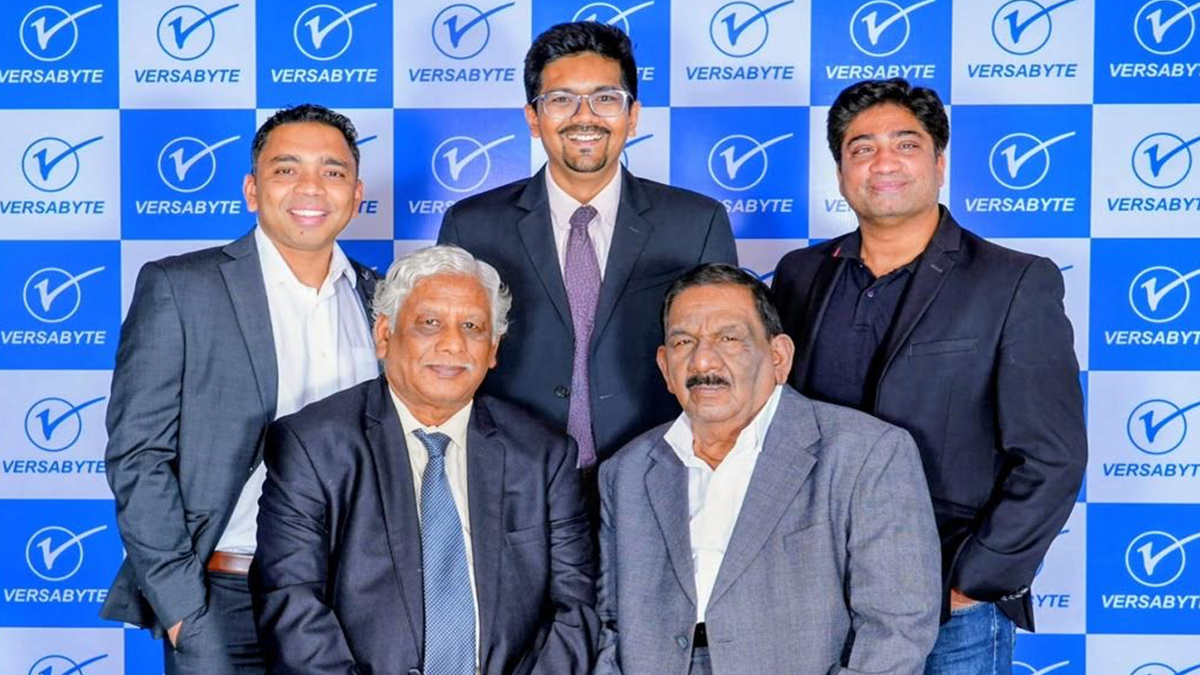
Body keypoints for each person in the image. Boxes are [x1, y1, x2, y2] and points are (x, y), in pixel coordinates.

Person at [771, 78, 1087, 674]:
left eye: (906, 144)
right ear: (840, 172)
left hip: (947, 605)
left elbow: (1053, 457)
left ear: (939, 163)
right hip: (816, 594)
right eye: (862, 148)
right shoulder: (800, 274)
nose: (883, 161)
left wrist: (974, 581)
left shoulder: (1013, 282)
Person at [100, 104, 379, 674]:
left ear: (356, 195)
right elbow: (138, 456)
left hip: (354, 601)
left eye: (332, 172)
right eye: (286, 169)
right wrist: (183, 610)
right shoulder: (181, 287)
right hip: (224, 598)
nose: (311, 187)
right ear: (252, 190)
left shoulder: (380, 299)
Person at [250, 246, 597, 675]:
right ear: (384, 335)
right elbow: (291, 601)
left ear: (493, 349)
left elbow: (573, 608)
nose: (452, 344)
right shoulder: (313, 445)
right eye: (429, 323)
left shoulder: (543, 455)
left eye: (472, 327)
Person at [596, 263, 941, 675]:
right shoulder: (627, 471)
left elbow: (898, 627)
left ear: (779, 357)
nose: (703, 360)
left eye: (728, 338)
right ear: (665, 366)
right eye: (683, 341)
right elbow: (608, 625)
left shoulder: (866, 453)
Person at [438, 21, 737, 470]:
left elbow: (726, 358)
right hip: (511, 472)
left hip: (658, 469)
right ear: (533, 118)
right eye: (561, 100)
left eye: (605, 99)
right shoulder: (472, 226)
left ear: (632, 116)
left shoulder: (697, 223)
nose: (585, 117)